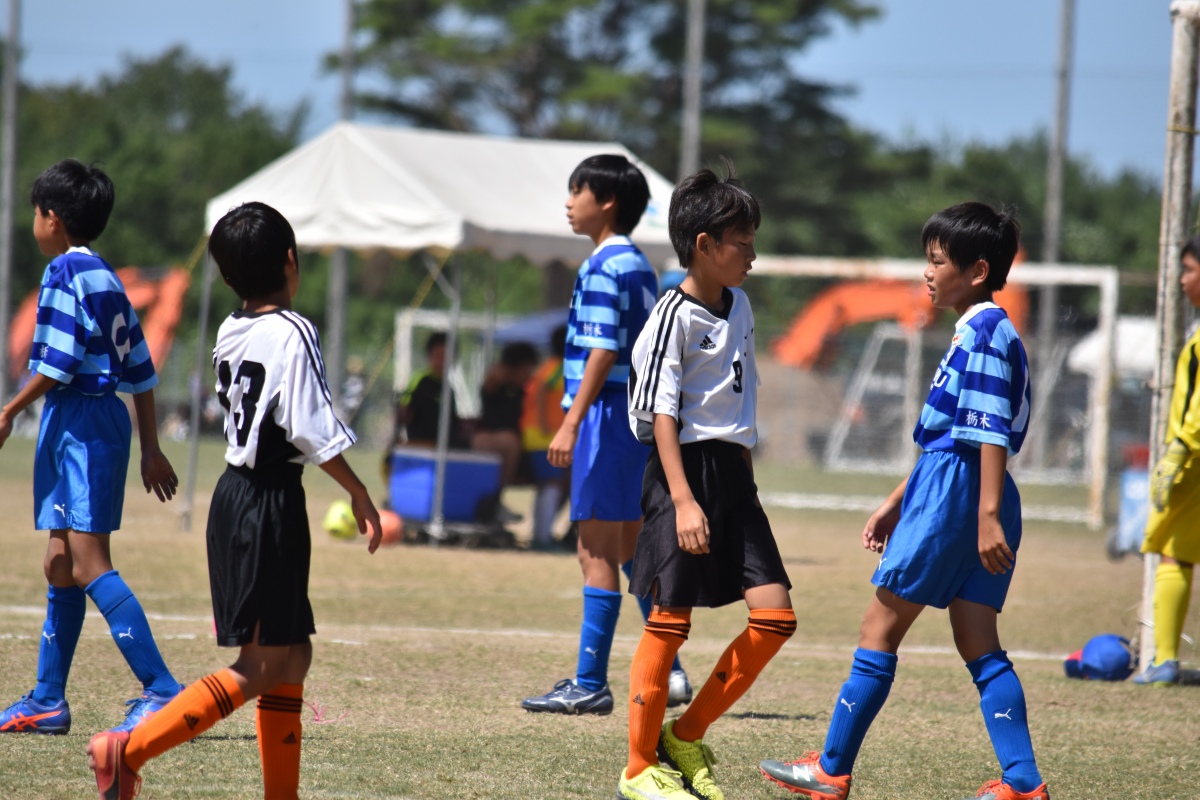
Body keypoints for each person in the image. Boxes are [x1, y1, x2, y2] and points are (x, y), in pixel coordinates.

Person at [87, 202, 383, 799]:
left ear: (225, 277)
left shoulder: (229, 329)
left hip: (239, 496)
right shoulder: (294, 331)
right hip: (266, 502)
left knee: (292, 656)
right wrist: (358, 491)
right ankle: (128, 750)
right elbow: (310, 428)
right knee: (260, 665)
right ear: (291, 261)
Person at [760, 202, 1048, 800]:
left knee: (878, 628)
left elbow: (987, 432)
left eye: (937, 261)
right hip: (965, 487)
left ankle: (831, 769)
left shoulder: (984, 332)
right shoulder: (985, 329)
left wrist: (983, 515)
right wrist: (899, 499)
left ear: (978, 271)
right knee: (979, 642)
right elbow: (955, 435)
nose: (926, 272)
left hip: (959, 493)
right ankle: (1023, 782)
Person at [617, 168, 795, 800]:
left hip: (732, 477)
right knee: (669, 620)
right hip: (681, 476)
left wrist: (744, 482)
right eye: (742, 242)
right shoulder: (671, 315)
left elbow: (737, 402)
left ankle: (685, 735)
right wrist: (684, 501)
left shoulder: (740, 305)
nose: (752, 254)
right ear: (703, 244)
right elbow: (662, 414)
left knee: (775, 617)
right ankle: (638, 768)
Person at [0, 159, 183, 736]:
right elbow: (142, 368)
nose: (34, 222)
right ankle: (47, 700)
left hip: (79, 422)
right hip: (96, 420)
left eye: (36, 212)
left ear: (52, 218)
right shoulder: (106, 276)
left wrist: (8, 409)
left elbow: (57, 363)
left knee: (87, 560)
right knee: (59, 561)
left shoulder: (62, 273)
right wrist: (150, 446)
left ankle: (163, 689)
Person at [522, 153, 691, 715]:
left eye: (578, 191)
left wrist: (571, 422)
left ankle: (590, 682)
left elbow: (601, 349)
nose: (569, 202)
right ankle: (671, 670)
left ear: (608, 201)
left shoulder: (602, 266)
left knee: (594, 548)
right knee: (629, 548)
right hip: (636, 416)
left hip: (604, 414)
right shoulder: (639, 264)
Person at [1134, 233, 1200, 685]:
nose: (1181, 279)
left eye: (1189, 269)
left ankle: (1166, 660)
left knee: (1173, 550)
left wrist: (1180, 447)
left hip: (1192, 458)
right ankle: (1165, 661)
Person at [472, 340, 539, 521]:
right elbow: (492, 379)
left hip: (521, 445)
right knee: (504, 441)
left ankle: (495, 501)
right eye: (526, 368)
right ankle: (491, 502)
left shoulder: (525, 390)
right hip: (492, 437)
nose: (529, 373)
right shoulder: (496, 382)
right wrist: (506, 370)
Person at [522, 325, 571, 549]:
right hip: (543, 436)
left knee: (555, 484)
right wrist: (544, 424)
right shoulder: (558, 367)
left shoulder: (552, 366)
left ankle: (542, 534)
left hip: (545, 435)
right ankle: (541, 538)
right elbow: (542, 390)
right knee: (552, 484)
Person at [394, 331, 467, 449]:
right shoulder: (419, 380)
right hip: (421, 442)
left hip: (446, 445)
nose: (442, 362)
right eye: (438, 356)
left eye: (446, 357)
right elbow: (403, 410)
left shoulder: (450, 389)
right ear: (429, 356)